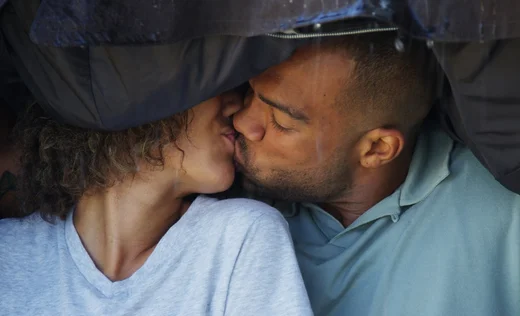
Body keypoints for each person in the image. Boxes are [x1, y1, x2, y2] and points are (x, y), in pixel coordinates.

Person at [232, 32, 520, 316]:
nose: (242, 122)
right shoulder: (227, 206)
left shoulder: (513, 204)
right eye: (250, 96)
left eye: (280, 122)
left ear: (377, 149)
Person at [0, 93, 313, 316]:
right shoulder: (8, 253)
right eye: (215, 85)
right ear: (138, 95)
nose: (237, 106)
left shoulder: (240, 238)